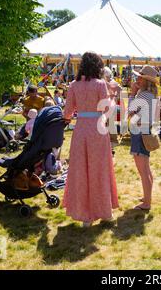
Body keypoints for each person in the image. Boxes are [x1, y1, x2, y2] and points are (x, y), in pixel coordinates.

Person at [62, 52, 118, 227]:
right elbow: (107, 108)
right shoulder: (100, 84)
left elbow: (67, 112)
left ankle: (85, 215)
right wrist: (114, 97)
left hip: (80, 130)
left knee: (80, 170)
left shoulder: (73, 85)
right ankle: (102, 210)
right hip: (98, 129)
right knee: (99, 169)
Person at [128, 65, 160, 211]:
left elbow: (130, 112)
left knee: (143, 170)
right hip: (145, 130)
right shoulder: (150, 94)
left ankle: (146, 203)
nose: (137, 79)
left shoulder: (142, 94)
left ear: (145, 80)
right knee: (146, 168)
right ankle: (147, 197)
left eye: (140, 77)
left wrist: (131, 94)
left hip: (139, 131)